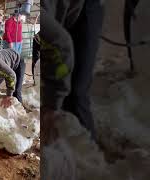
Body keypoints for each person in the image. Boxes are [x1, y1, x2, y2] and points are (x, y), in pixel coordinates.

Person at [41, 0, 104, 144]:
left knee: (76, 94)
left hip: (84, 9)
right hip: (57, 16)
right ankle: (60, 147)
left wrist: (51, 105)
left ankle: (88, 156)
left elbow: (61, 45)